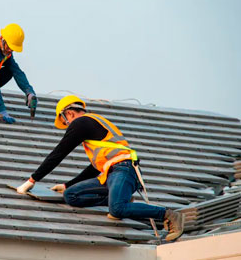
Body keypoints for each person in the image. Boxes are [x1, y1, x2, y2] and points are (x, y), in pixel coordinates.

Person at [16, 95, 185, 241]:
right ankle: (118, 197)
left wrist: (32, 180)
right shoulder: (92, 124)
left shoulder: (81, 123)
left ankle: (168, 215)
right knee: (71, 195)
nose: (67, 126)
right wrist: (68, 185)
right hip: (111, 173)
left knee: (117, 209)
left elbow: (58, 153)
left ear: (69, 113)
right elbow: (94, 167)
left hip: (124, 169)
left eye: (65, 122)